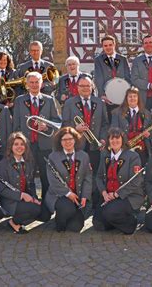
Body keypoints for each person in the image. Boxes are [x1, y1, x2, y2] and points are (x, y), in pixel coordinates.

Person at [12, 71, 61, 199]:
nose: (34, 85)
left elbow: (57, 122)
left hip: (45, 145)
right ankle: (30, 201)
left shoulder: (49, 100)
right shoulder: (19, 100)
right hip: (26, 146)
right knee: (27, 175)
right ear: (27, 84)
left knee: (46, 176)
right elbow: (16, 125)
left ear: (42, 84)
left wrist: (46, 126)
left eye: (37, 82)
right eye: (31, 82)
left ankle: (46, 203)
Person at [62, 76, 108, 207]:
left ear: (92, 87)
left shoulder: (100, 102)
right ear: (77, 88)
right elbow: (64, 123)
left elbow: (105, 124)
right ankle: (80, 201)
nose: (85, 88)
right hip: (78, 145)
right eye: (82, 86)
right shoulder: (70, 103)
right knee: (79, 174)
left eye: (88, 86)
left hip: (95, 146)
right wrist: (75, 128)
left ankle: (95, 202)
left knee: (95, 174)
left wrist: (103, 138)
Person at [0, 132, 51, 234]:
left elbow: (31, 184)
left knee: (45, 216)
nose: (19, 147)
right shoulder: (3, 164)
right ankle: (13, 222)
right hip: (10, 201)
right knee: (35, 210)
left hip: (25, 199)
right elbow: (2, 190)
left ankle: (23, 215)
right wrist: (21, 195)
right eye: (16, 144)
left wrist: (34, 198)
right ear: (11, 146)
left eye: (22, 144)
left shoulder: (29, 162)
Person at [93, 128, 144, 235]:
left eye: (117, 138)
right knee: (98, 224)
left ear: (123, 140)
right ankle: (114, 218)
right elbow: (98, 177)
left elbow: (136, 181)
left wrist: (116, 194)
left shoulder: (133, 156)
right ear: (108, 141)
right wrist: (104, 193)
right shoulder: (105, 155)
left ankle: (131, 224)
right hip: (109, 196)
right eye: (112, 138)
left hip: (129, 196)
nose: (115, 141)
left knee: (109, 212)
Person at [45, 127, 92, 232]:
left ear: (75, 139)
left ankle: (68, 216)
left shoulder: (84, 156)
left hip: (77, 195)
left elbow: (87, 178)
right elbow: (53, 181)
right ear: (60, 142)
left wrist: (84, 196)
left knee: (75, 227)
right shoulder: (53, 157)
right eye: (64, 140)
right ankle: (59, 223)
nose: (68, 142)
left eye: (70, 139)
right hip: (60, 195)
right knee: (67, 208)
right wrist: (67, 193)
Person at [111, 87, 152, 166]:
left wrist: (149, 134)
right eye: (130, 96)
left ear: (138, 98)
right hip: (124, 147)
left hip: (142, 149)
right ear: (126, 98)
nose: (132, 98)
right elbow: (113, 130)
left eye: (135, 96)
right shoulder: (117, 112)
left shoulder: (147, 113)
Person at [93, 35, 131, 117]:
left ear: (114, 45)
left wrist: (127, 92)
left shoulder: (122, 59)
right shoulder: (99, 60)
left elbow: (128, 77)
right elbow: (98, 78)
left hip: (122, 96)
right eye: (105, 46)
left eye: (110, 45)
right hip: (107, 97)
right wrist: (102, 94)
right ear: (103, 47)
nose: (108, 47)